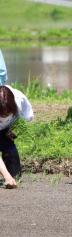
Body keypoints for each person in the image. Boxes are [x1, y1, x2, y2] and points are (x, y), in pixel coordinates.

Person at [0, 49, 34, 189]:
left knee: (16, 175)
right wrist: (6, 176)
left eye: (8, 114)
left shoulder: (19, 99)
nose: (4, 117)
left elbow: (27, 118)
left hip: (7, 130)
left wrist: (14, 131)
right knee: (9, 176)